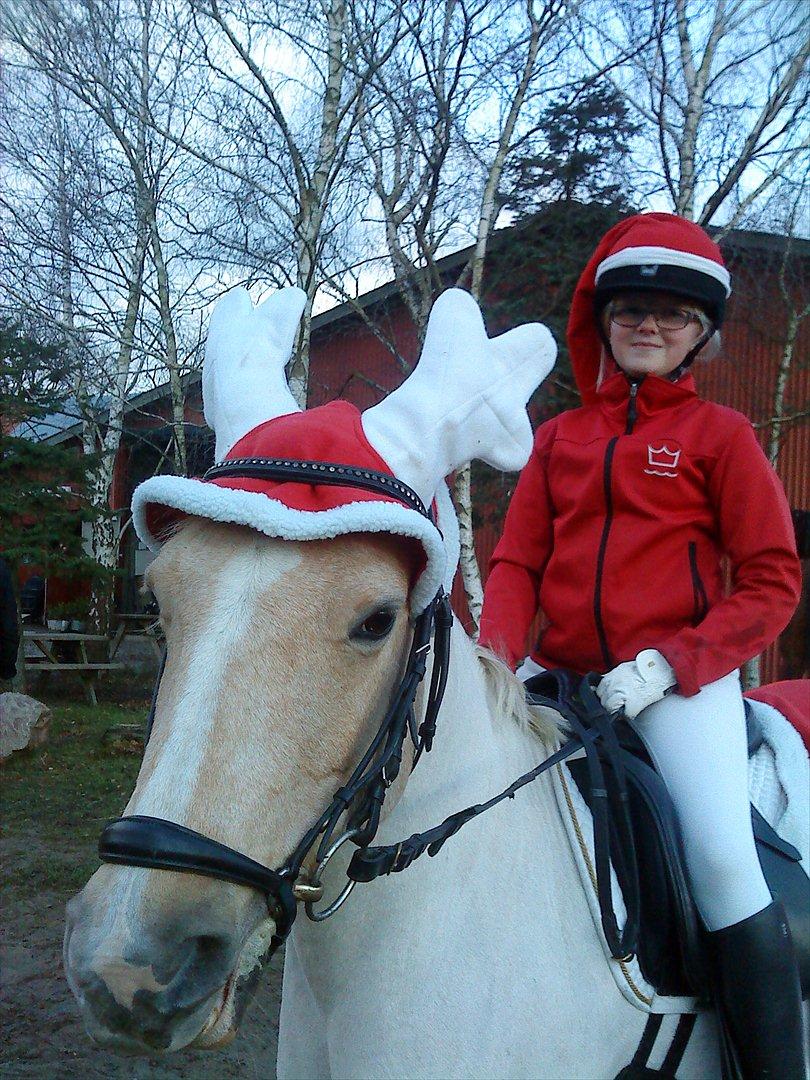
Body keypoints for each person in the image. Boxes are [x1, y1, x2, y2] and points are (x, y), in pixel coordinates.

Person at [478, 213, 805, 1079]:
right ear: (604, 322)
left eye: (671, 314)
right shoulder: (559, 442)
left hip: (678, 687)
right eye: (631, 311)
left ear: (700, 333)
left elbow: (772, 581)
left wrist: (672, 665)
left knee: (725, 861)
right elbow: (516, 562)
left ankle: (775, 1067)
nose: (649, 326)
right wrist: (494, 660)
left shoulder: (722, 440)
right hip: (562, 675)